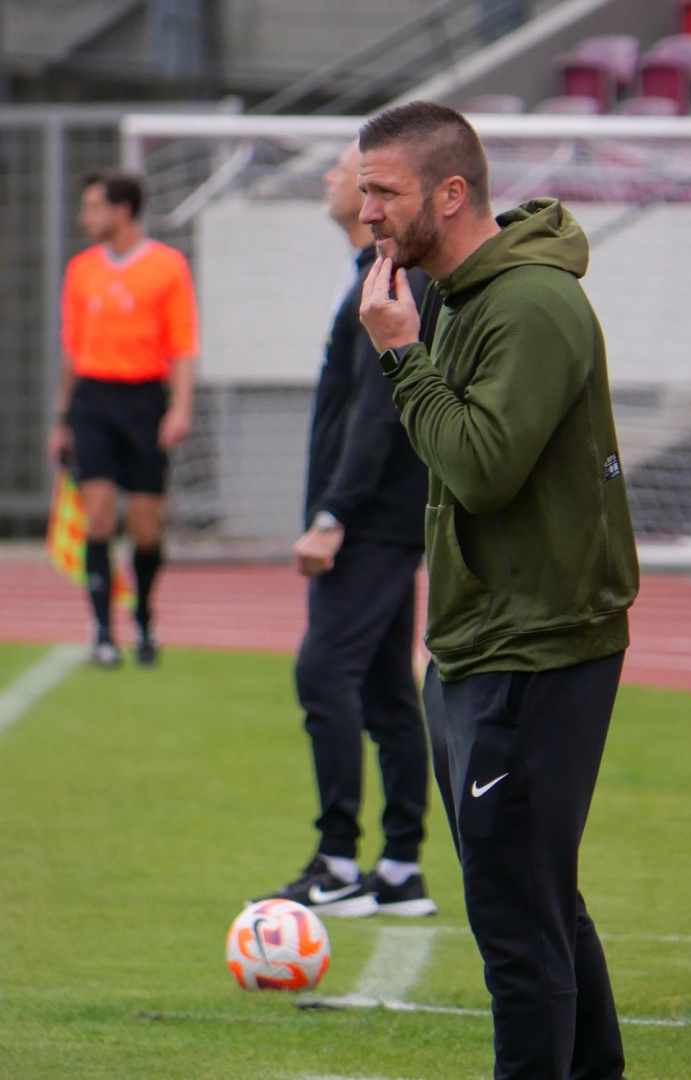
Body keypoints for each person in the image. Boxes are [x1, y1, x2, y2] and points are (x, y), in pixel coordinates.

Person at [357, 101, 639, 1077]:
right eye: (361, 192)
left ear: (449, 191)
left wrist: (400, 356)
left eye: (383, 193)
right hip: (480, 646)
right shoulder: (457, 292)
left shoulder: (530, 305)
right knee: (538, 897)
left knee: (519, 928)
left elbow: (481, 469)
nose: (367, 214)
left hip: (537, 649)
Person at [254, 141, 437, 918]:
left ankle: (337, 861)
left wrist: (333, 515)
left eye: (346, 172)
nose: (334, 182)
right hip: (384, 519)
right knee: (387, 691)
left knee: (323, 676)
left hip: (369, 521)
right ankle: (398, 870)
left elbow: (379, 410)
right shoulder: (373, 270)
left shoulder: (391, 274)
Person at [47, 168, 198, 667]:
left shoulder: (167, 267)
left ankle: (144, 619)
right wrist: (62, 417)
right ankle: (102, 632)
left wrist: (179, 408)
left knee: (146, 526)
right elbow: (71, 348)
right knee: (98, 513)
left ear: (122, 211)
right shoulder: (80, 270)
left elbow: (182, 345)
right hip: (93, 401)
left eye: (93, 206)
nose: (84, 216)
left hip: (143, 402)